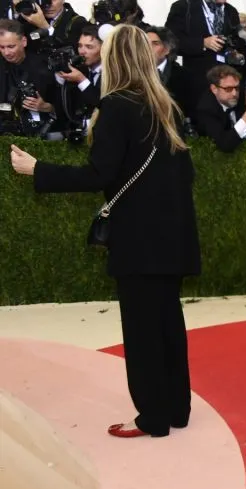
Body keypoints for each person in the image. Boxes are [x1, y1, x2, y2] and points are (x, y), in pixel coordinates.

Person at [9, 24, 200, 437]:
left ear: (114, 57)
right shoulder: (166, 104)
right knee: (168, 322)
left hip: (138, 238)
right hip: (174, 235)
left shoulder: (116, 106)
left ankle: (152, 417)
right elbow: (185, 174)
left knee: (142, 330)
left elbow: (99, 173)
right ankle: (177, 409)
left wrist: (38, 169)